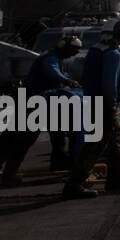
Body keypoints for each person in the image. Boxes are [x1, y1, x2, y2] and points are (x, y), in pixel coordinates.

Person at [63, 21, 120, 199]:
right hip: (104, 105)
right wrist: (112, 104)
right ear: (114, 36)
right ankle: (74, 183)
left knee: (115, 142)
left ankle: (115, 179)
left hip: (93, 101)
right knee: (95, 144)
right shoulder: (112, 54)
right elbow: (108, 83)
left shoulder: (94, 50)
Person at [24, 35, 83, 171]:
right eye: (72, 51)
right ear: (64, 47)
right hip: (37, 101)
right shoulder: (50, 58)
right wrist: (67, 81)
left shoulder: (55, 57)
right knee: (27, 138)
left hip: (45, 101)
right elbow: (52, 71)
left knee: (58, 133)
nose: (73, 54)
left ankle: (59, 162)